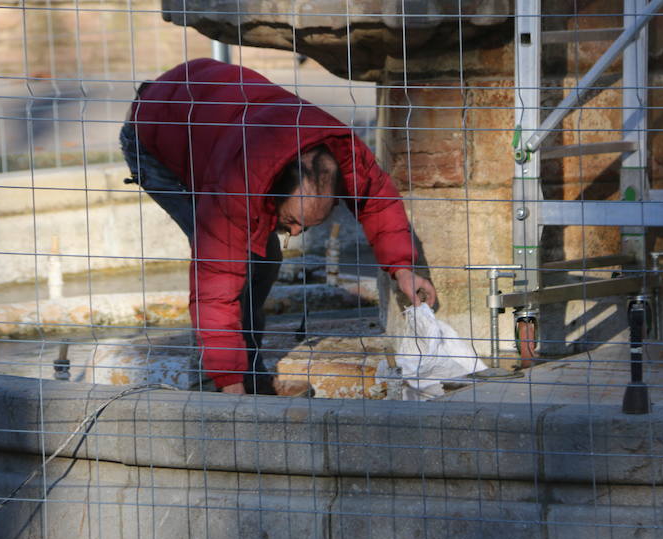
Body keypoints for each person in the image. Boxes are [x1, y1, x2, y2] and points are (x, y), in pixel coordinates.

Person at [120, 59, 436, 395]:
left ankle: (245, 372)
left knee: (263, 257)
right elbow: (215, 286)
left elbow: (378, 201)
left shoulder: (344, 153)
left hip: (206, 112)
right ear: (271, 190)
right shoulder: (236, 187)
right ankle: (220, 381)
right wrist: (231, 386)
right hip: (153, 133)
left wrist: (403, 268)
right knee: (245, 263)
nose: (297, 233)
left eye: (307, 224)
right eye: (292, 221)